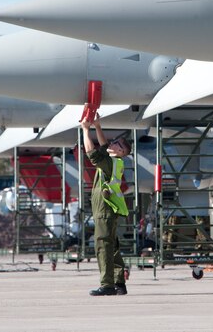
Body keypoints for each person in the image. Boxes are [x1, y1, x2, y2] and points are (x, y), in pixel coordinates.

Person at [81, 113, 131, 296]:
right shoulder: (114, 162)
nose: (113, 144)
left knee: (103, 246)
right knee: (112, 246)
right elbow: (103, 146)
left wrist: (86, 130)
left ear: (121, 152)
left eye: (117, 145)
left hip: (104, 209)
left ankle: (107, 285)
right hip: (109, 210)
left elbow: (92, 153)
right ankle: (119, 283)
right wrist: (98, 126)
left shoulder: (110, 163)